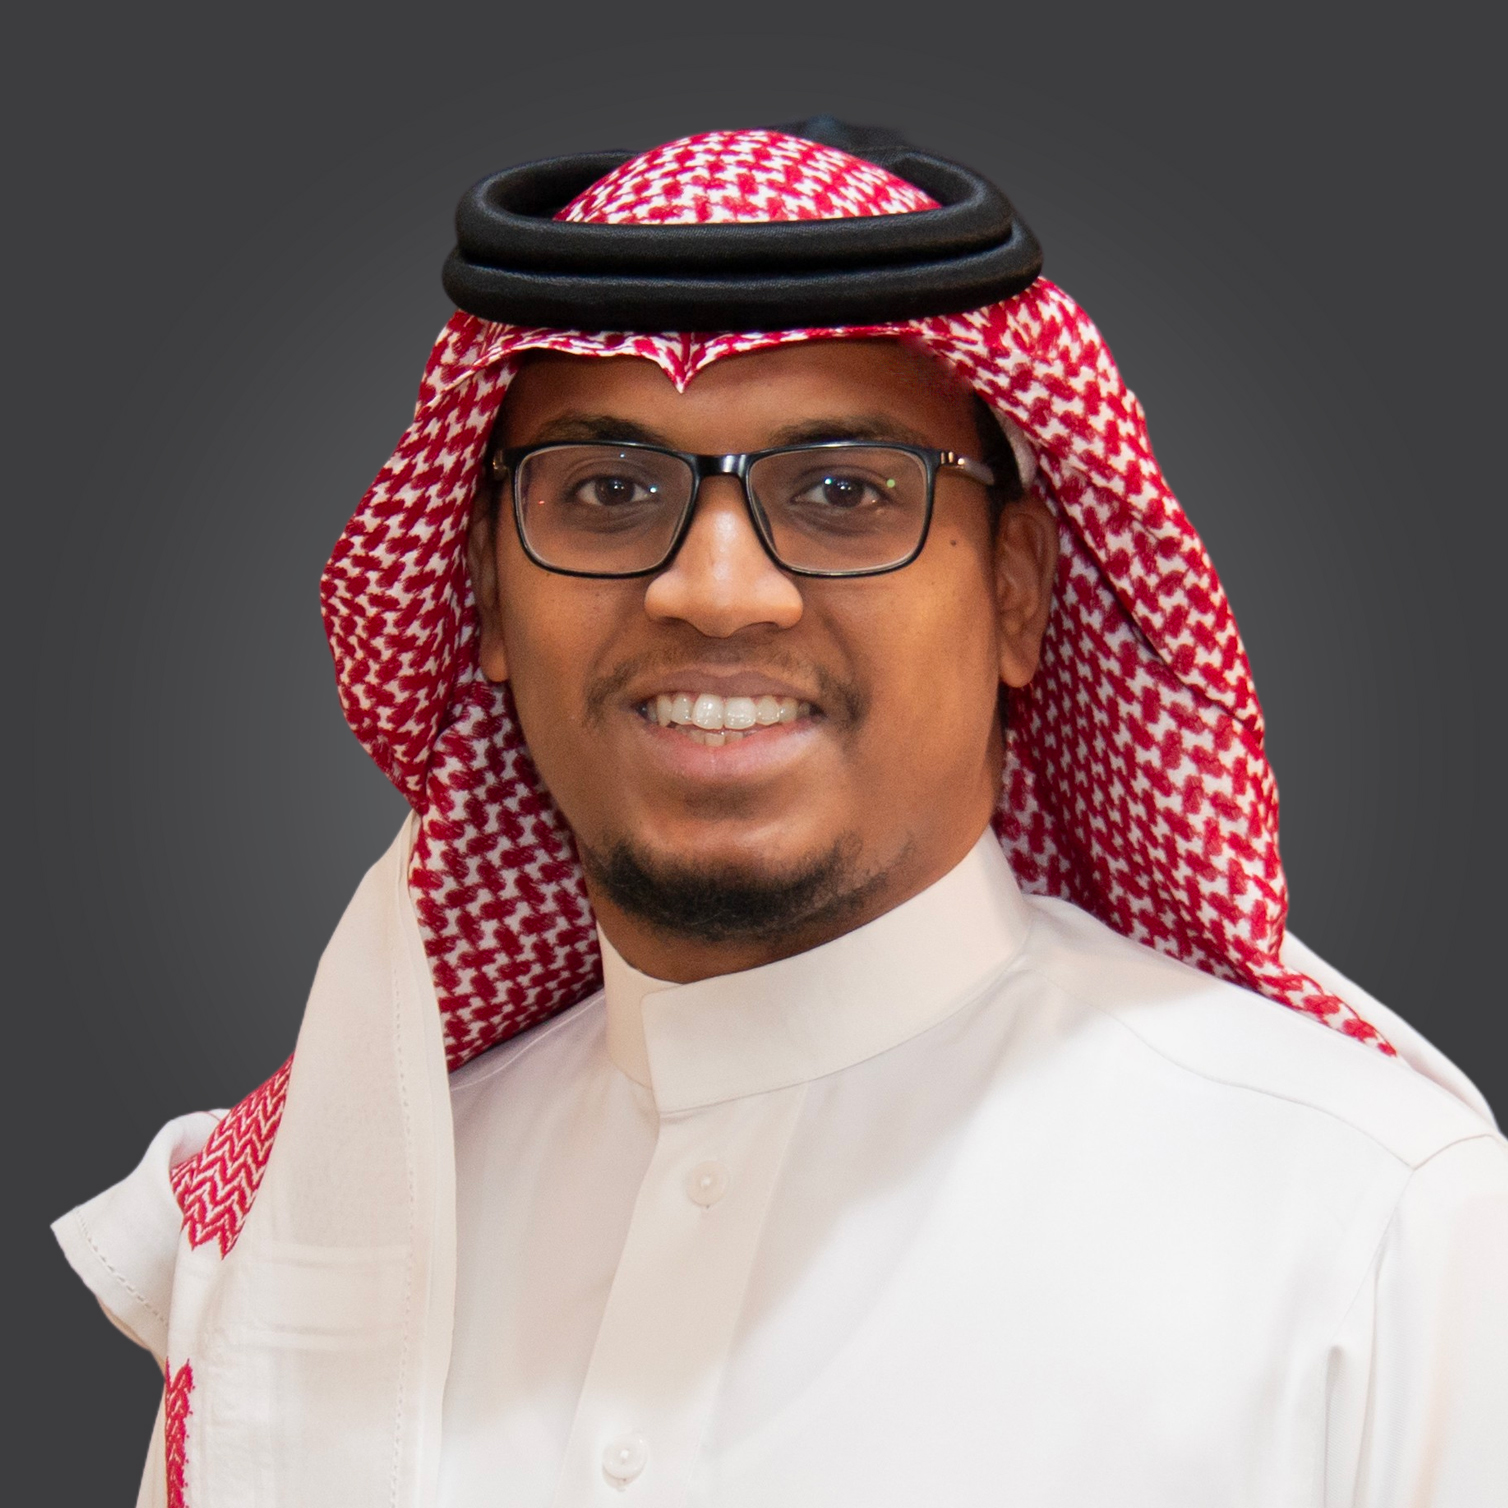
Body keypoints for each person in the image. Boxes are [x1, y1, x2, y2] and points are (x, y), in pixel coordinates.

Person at [54, 121, 1507, 1507]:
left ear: (1018, 596)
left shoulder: (1374, 1234)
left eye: (843, 491)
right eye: (608, 490)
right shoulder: (315, 1251)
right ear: (485, 597)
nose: (716, 590)